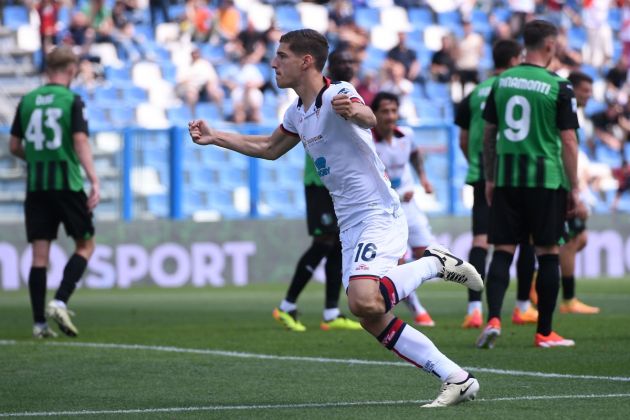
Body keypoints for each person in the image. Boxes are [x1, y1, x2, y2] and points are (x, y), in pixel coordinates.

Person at [189, 28, 483, 407]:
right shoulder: (296, 112)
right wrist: (217, 137)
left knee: (363, 299)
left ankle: (433, 263)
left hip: (378, 211)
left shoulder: (336, 93)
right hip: (350, 223)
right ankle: (456, 378)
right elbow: (268, 147)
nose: (274, 62)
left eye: (281, 56)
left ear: (305, 61)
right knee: (371, 314)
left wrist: (358, 111)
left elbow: (367, 116)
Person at [478, 20, 579, 349]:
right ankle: (545, 332)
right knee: (547, 252)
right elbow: (568, 140)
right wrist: (574, 186)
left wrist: (491, 177)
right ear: (549, 45)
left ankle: (493, 317)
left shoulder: (501, 81)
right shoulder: (558, 85)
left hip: (507, 177)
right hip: (545, 180)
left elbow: (489, 134)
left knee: (503, 250)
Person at [9, 46, 100, 339]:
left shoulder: (27, 101)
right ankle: (60, 300)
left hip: (37, 187)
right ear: (72, 70)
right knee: (85, 246)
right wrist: (94, 179)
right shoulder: (71, 100)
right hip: (68, 184)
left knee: (39, 256)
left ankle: (38, 325)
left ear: (48, 69)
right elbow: (80, 140)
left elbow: (13, 146)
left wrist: (37, 158)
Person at [272, 48, 362, 332]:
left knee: (336, 245)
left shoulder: (345, 95)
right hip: (319, 182)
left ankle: (332, 313)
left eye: (351, 61)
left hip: (338, 187)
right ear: (329, 67)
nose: (348, 65)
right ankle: (286, 305)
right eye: (342, 61)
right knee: (323, 243)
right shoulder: (320, 97)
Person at [455, 39, 539, 329]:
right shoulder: (518, 87)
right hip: (514, 174)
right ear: (516, 58)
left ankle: (474, 309)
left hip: (482, 173)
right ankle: (522, 307)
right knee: (526, 238)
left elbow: (463, 140)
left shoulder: (475, 93)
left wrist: (477, 165)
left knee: (481, 240)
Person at [371, 91, 436, 327]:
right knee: (399, 263)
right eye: (385, 111)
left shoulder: (406, 135)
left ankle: (397, 294)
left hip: (409, 207)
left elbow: (416, 154)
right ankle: (418, 308)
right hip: (385, 211)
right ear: (374, 114)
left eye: (393, 111)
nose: (390, 116)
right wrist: (395, 194)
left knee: (429, 255)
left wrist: (424, 178)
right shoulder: (368, 141)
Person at [558, 71, 600, 315]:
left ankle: (535, 280)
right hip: (562, 186)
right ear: (573, 89)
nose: (589, 95)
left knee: (578, 239)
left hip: (568, 184)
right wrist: (572, 191)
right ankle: (568, 299)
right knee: (571, 240)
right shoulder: (566, 111)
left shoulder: (577, 115)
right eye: (585, 90)